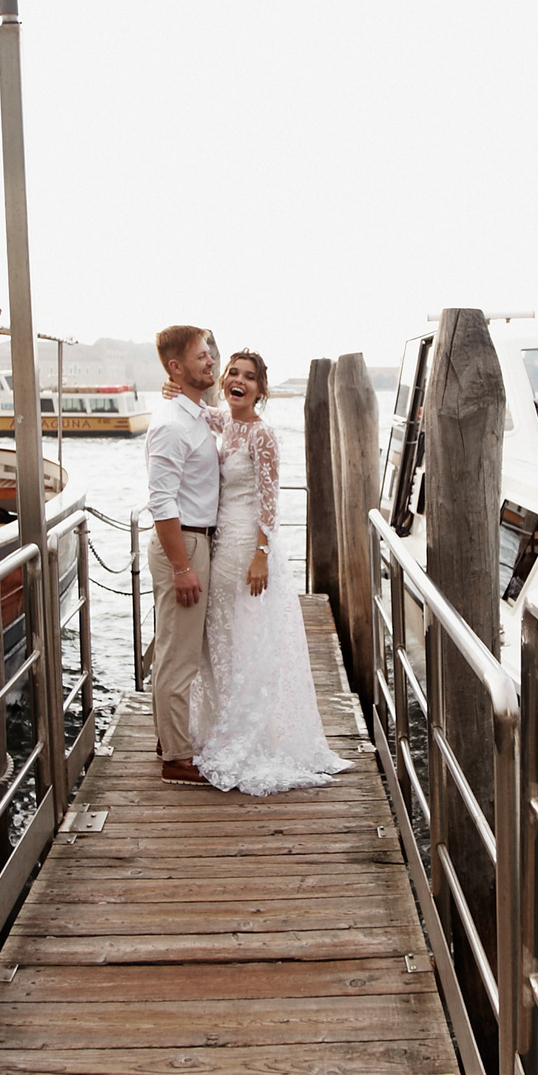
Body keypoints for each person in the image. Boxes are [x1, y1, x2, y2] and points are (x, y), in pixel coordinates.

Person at [163, 351, 354, 796]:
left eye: (249, 377)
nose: (239, 381)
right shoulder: (223, 423)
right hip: (218, 543)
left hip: (247, 545)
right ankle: (222, 721)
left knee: (247, 637)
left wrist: (262, 555)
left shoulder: (263, 435)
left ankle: (252, 733)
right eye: (232, 373)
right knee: (222, 638)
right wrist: (174, 388)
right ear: (223, 382)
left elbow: (271, 499)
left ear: (261, 390)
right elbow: (194, 405)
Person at [144, 325, 221, 785]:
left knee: (181, 648)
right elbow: (161, 501)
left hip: (198, 540)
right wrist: (181, 566)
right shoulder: (172, 424)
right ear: (176, 367)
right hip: (185, 542)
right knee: (178, 655)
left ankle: (169, 737)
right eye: (200, 356)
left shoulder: (196, 412)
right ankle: (176, 758)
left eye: (210, 353)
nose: (210, 361)